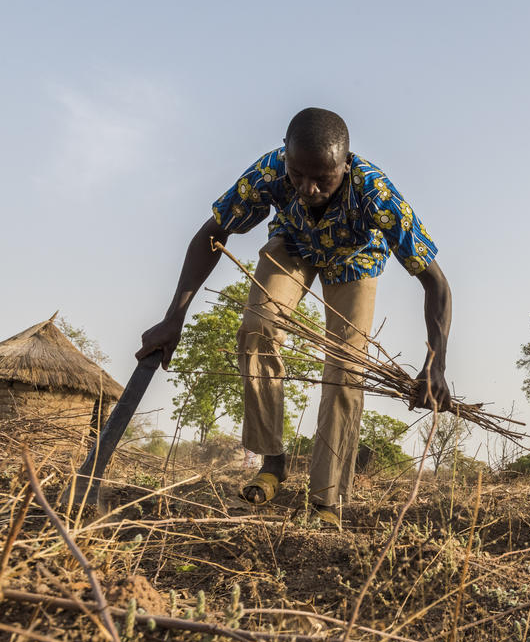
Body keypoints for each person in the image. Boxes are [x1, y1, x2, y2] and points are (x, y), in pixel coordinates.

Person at [138, 107, 451, 509]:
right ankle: (272, 462)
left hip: (354, 262)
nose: (309, 188)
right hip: (294, 245)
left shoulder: (378, 193)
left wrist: (435, 364)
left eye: (324, 178)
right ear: (286, 157)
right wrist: (173, 318)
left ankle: (326, 500)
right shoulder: (269, 173)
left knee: (345, 368)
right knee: (257, 326)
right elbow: (211, 233)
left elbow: (436, 283)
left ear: (345, 163)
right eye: (299, 175)